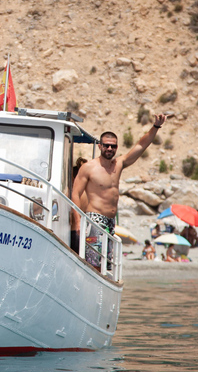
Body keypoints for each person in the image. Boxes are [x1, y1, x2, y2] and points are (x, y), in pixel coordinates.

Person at [71, 114, 167, 269]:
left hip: (111, 222)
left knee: (107, 265)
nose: (110, 148)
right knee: (94, 264)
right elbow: (74, 194)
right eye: (107, 145)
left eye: (113, 146)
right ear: (100, 146)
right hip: (94, 220)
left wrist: (156, 126)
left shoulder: (119, 164)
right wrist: (77, 223)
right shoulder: (89, 167)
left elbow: (140, 146)